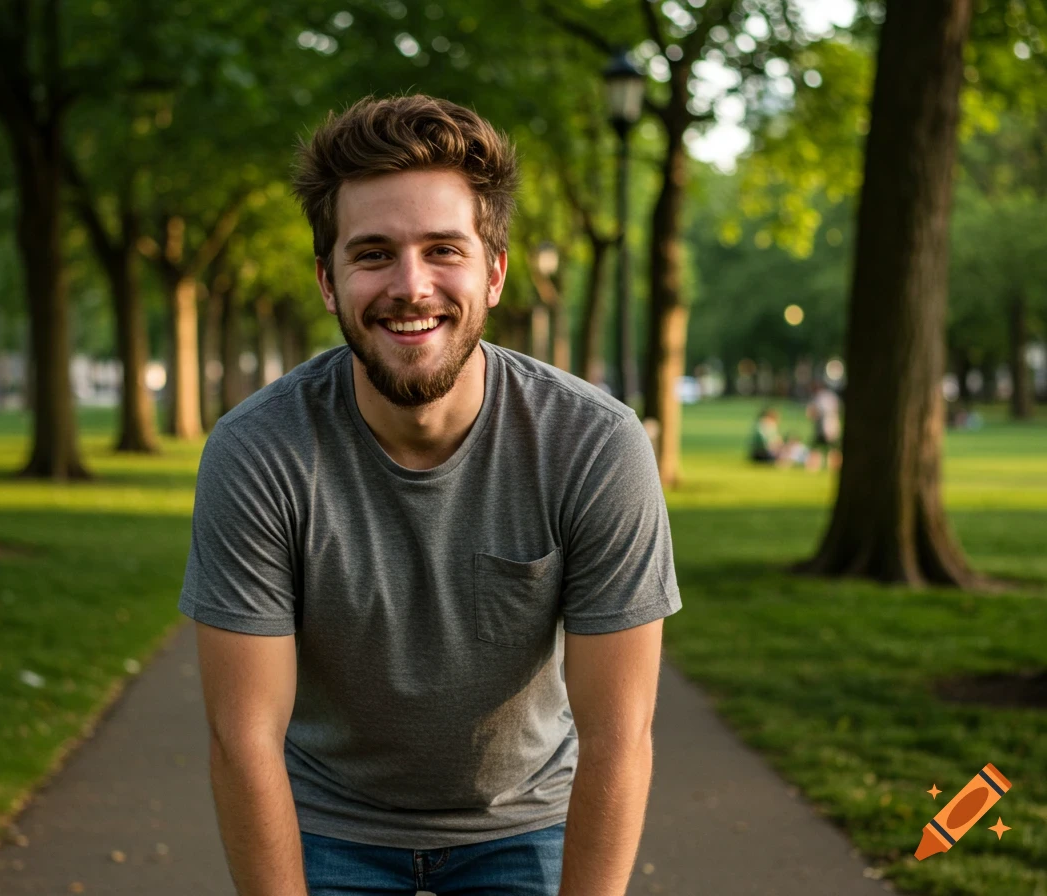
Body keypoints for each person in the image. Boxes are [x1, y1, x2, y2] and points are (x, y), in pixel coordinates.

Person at [180, 95, 682, 896]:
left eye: (442, 249)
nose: (411, 287)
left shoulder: (592, 443)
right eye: (373, 253)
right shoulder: (258, 452)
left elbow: (620, 738)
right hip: (328, 826)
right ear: (327, 280)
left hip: (527, 826)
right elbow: (243, 741)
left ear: (494, 272)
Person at [806, 381, 843, 471]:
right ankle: (835, 466)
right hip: (834, 427)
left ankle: (813, 466)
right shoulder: (832, 396)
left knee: (815, 447)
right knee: (833, 448)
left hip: (823, 427)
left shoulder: (818, 397)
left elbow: (813, 412)